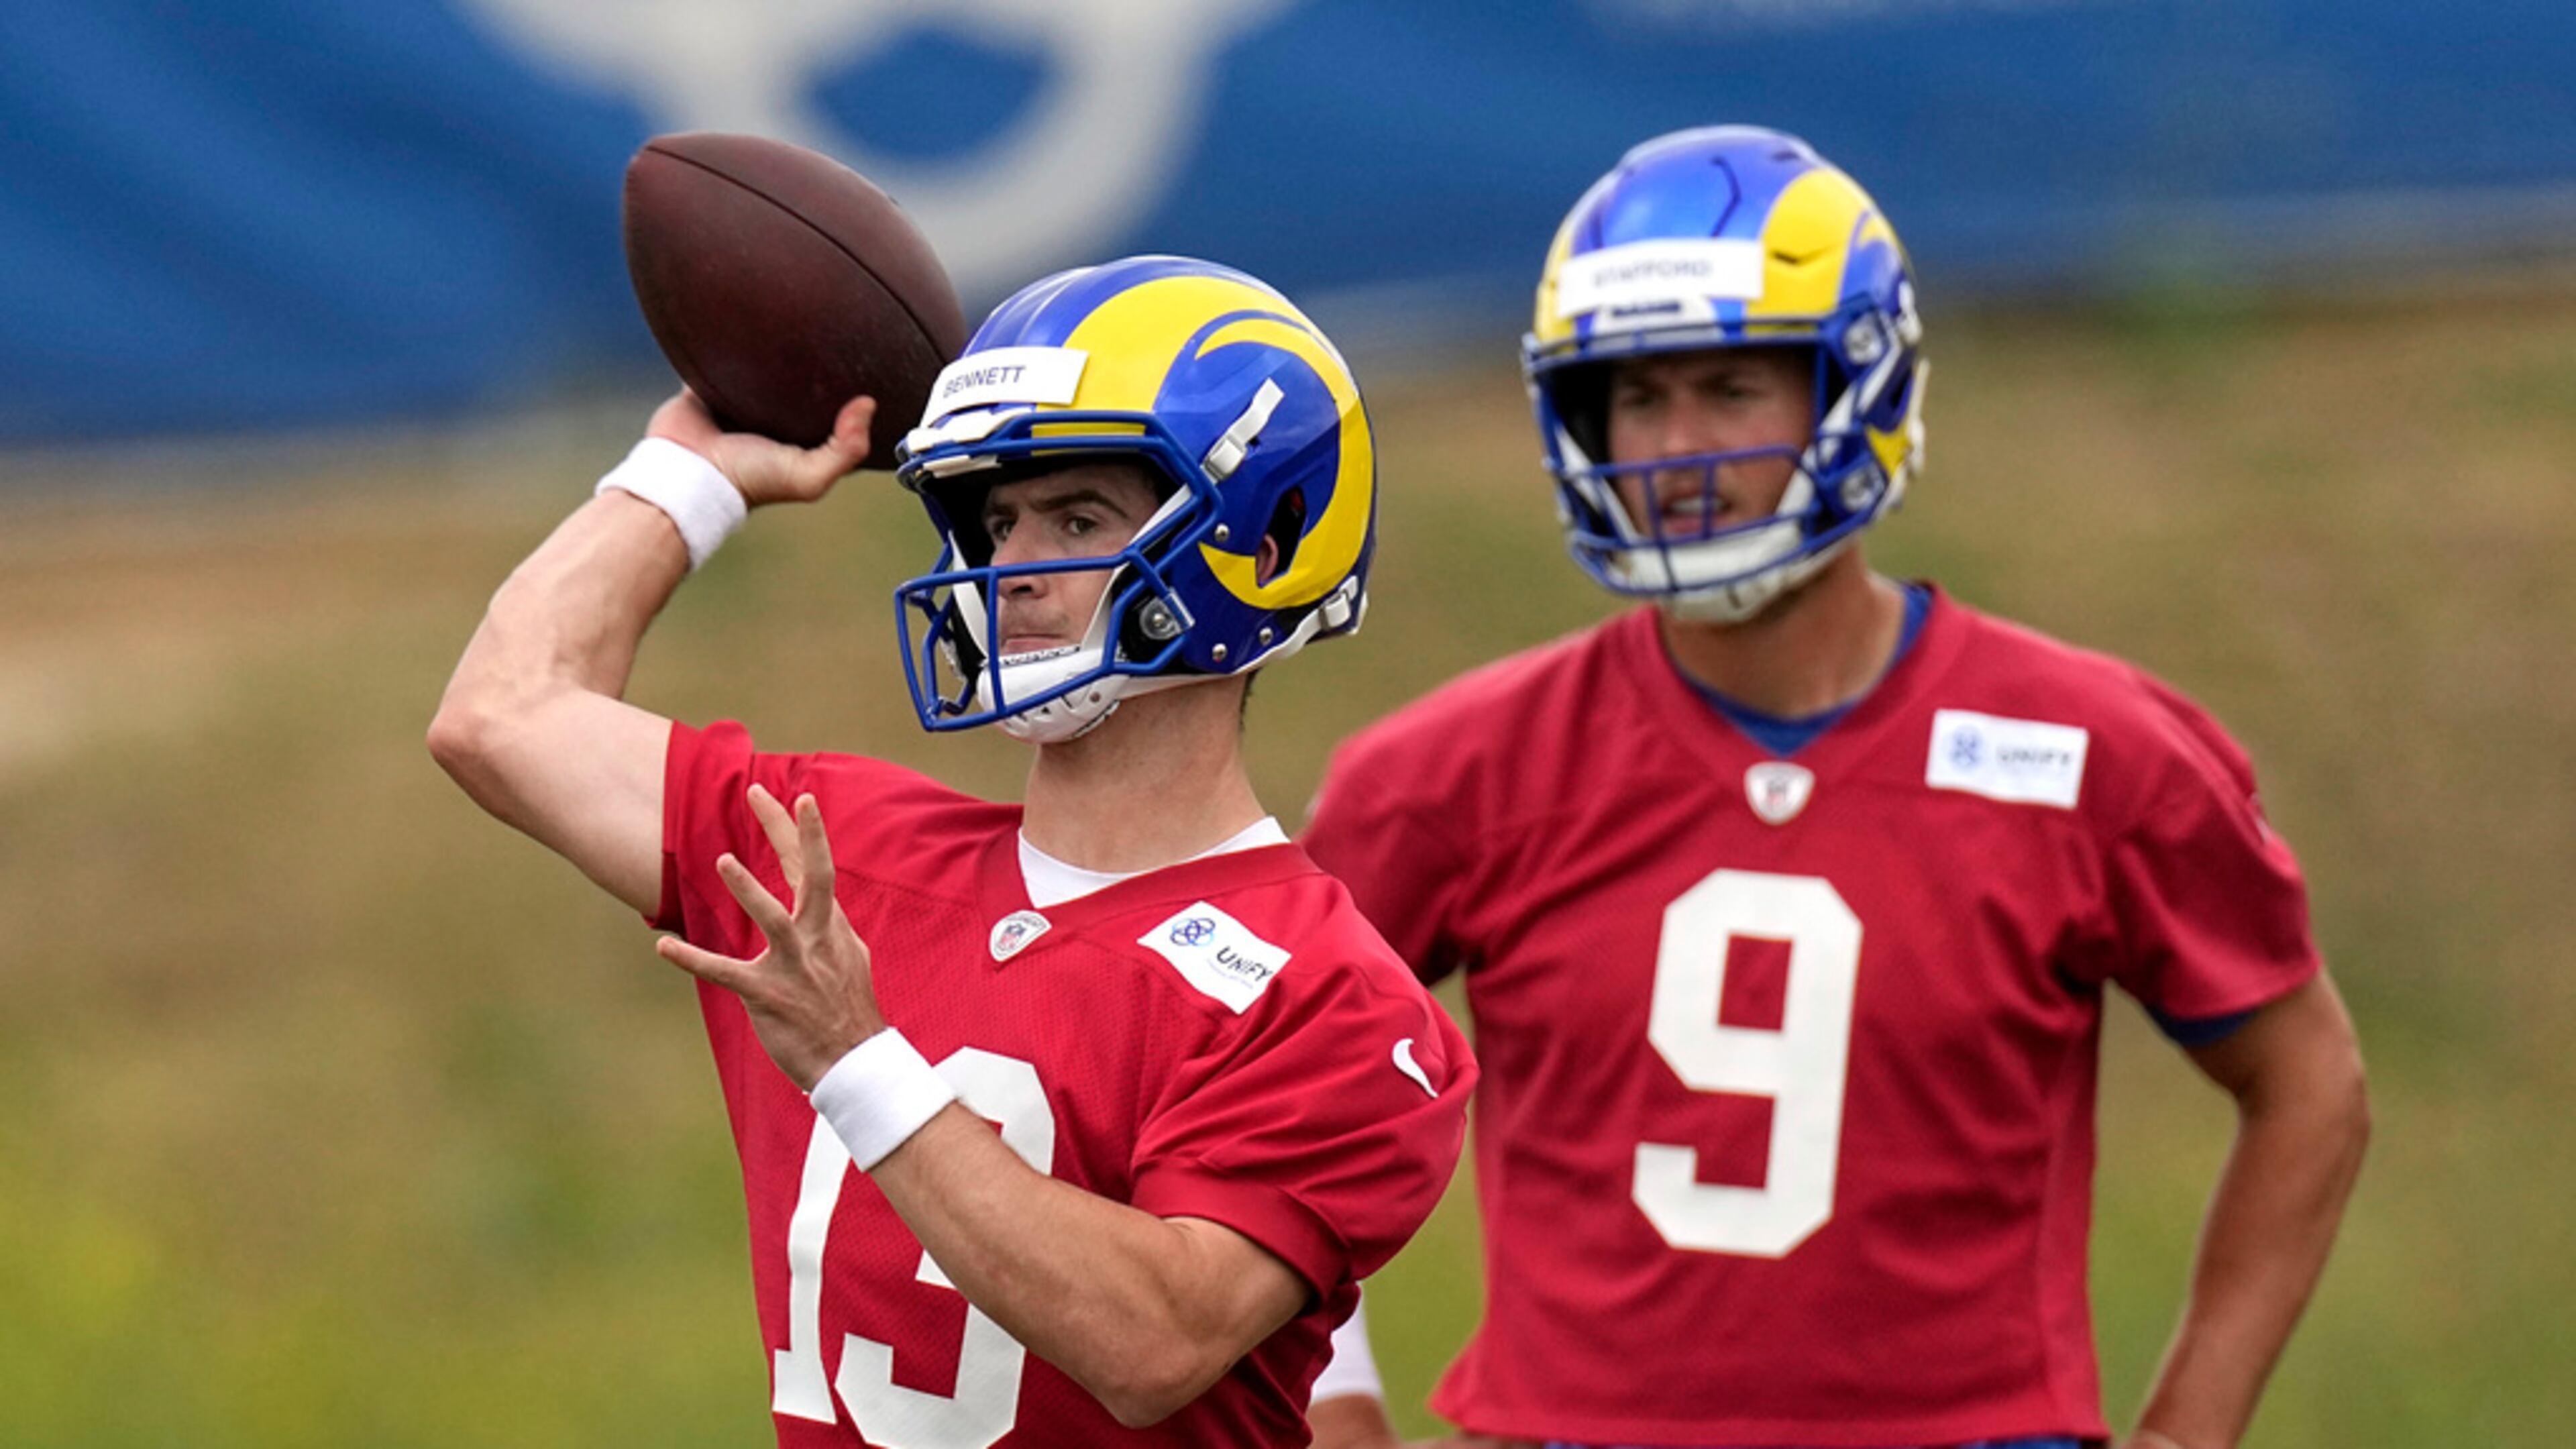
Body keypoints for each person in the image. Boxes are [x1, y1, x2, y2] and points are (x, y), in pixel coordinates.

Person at [1299, 128, 2369, 1449]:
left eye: (1734, 387)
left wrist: (2191, 1426)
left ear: (1861, 386)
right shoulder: (1450, 775)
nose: (1677, 451)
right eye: (1637, 398)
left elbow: (2307, 1079)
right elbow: (1262, 1107)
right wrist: (1334, 1408)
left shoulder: (2092, 752)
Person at [429, 254, 1474, 1447]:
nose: (1011, 572)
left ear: (1259, 541)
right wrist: (688, 478)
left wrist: (859, 1059)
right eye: (996, 523)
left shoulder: (1334, 997)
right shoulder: (840, 853)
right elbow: (500, 717)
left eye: (1077, 519)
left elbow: (1153, 1341)